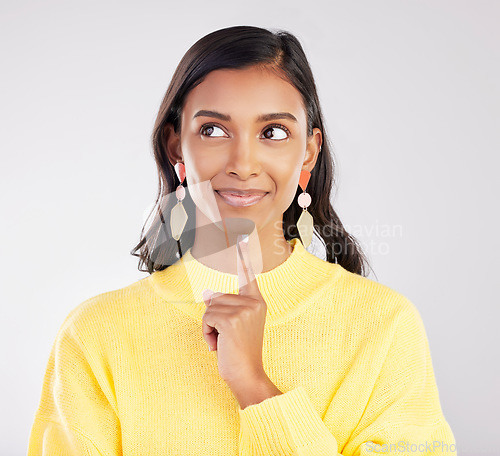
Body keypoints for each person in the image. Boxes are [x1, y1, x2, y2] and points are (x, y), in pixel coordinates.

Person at [27, 25, 457, 455]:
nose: (243, 164)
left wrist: (254, 384)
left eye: (273, 132)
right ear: (177, 147)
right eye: (213, 130)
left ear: (309, 151)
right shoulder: (96, 333)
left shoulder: (383, 325)